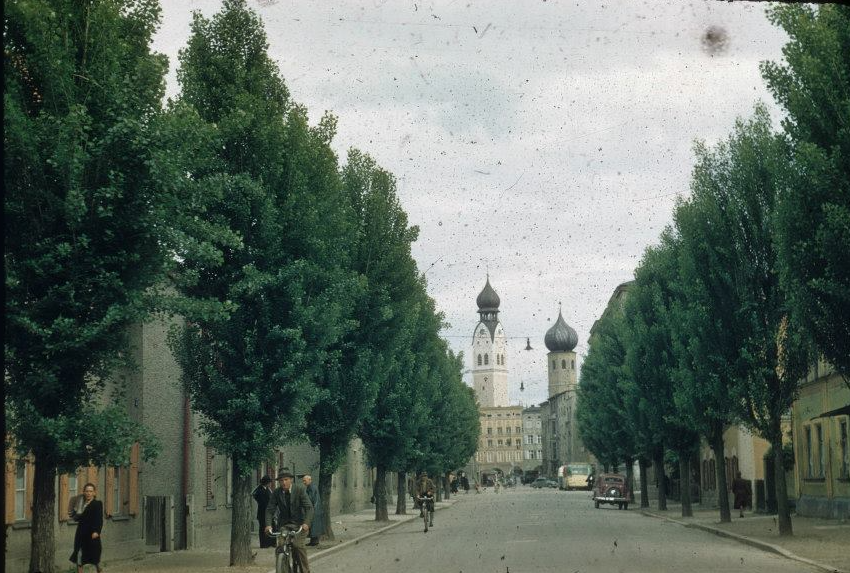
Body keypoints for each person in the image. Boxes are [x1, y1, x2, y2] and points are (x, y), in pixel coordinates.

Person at [265, 469, 313, 573]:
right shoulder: (276, 493)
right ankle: (283, 569)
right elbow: (269, 510)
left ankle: (305, 571)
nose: (284, 482)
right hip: (285, 526)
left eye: (286, 479)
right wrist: (268, 525)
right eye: (281, 480)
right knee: (280, 546)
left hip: (300, 525)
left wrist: (306, 523)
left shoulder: (299, 490)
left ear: (291, 480)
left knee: (297, 545)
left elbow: (309, 508)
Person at [69, 483, 103, 573]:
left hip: (92, 535)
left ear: (94, 493)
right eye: (87, 491)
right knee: (79, 557)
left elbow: (99, 519)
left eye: (90, 491)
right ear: (84, 492)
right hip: (81, 534)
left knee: (95, 559)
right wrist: (74, 513)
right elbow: (76, 518)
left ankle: (100, 570)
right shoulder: (81, 504)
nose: (88, 493)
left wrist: (96, 531)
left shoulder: (97, 504)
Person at [301, 474, 324, 547]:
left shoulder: (311, 488)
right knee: (314, 526)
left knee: (313, 525)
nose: (304, 482)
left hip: (314, 509)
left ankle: (314, 541)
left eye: (305, 481)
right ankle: (313, 541)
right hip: (315, 508)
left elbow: (310, 498)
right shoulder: (311, 487)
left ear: (309, 480)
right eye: (303, 481)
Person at [252, 475, 274, 548]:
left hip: (269, 513)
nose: (270, 484)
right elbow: (263, 502)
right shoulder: (260, 490)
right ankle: (264, 544)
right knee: (263, 528)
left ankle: (270, 543)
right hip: (262, 512)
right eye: (269, 482)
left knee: (271, 527)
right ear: (266, 483)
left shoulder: (267, 489)